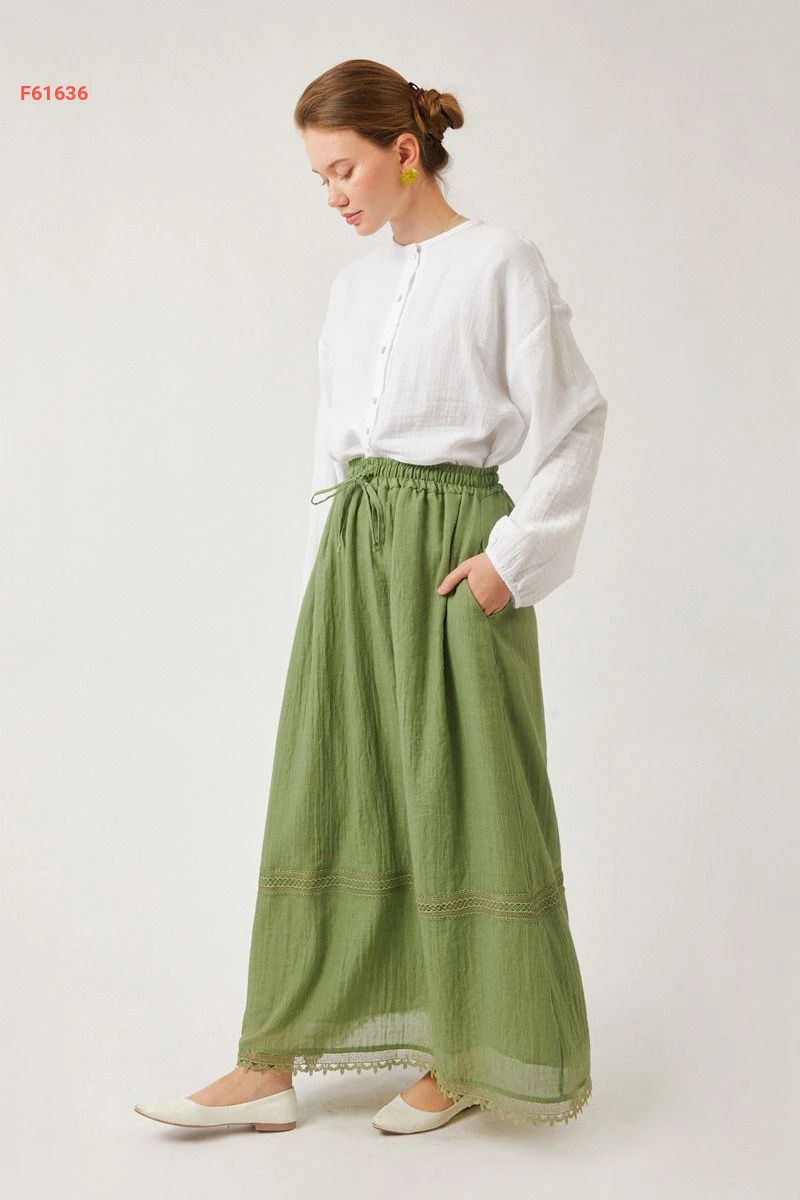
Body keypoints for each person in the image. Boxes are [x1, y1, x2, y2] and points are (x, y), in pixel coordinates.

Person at [134, 57, 608, 1136]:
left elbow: (576, 419)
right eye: (319, 178)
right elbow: (331, 449)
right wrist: (328, 580)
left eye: (342, 169)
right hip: (355, 557)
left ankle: (468, 1051)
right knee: (331, 786)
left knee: (467, 795)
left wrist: (511, 560)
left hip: (453, 554)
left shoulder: (499, 262)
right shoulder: (351, 291)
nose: (332, 194)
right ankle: (269, 1063)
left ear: (405, 151)